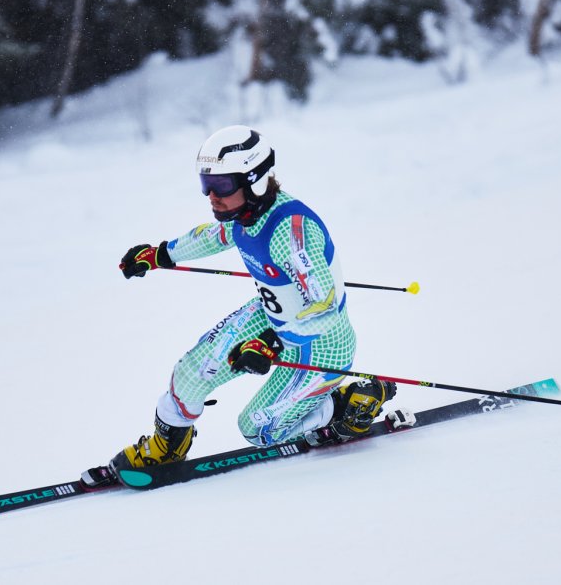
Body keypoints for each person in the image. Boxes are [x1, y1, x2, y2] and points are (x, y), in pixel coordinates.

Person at [111, 125, 397, 472]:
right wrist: (161, 254)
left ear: (254, 179)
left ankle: (346, 404)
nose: (211, 196)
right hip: (271, 318)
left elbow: (324, 310)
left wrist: (271, 344)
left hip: (321, 346)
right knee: (189, 374)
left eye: (222, 186)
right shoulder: (242, 214)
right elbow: (215, 236)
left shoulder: (289, 232)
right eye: (206, 185)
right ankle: (167, 446)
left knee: (258, 428)